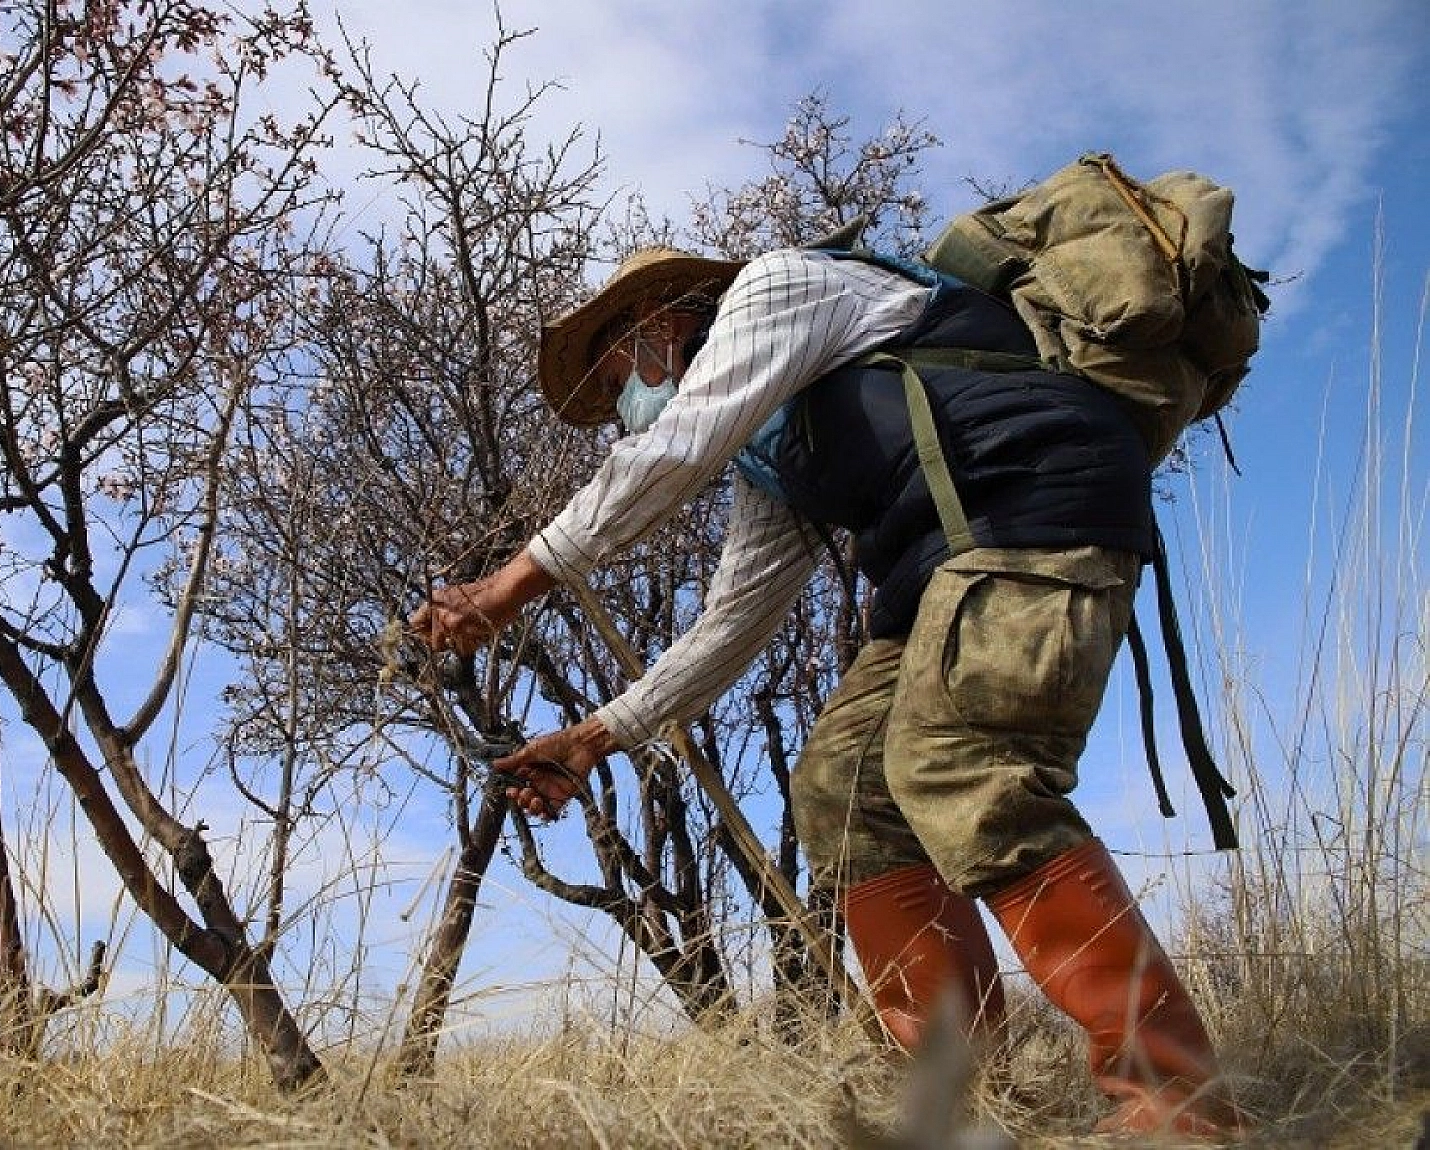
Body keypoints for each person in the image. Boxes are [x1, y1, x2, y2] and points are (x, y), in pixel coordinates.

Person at [409, 237, 1244, 1138]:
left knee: (962, 768)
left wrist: (504, 589)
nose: (624, 412)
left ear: (656, 325)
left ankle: (1178, 1108)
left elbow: (672, 452)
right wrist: (594, 738)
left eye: (616, 384)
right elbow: (735, 617)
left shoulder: (782, 289)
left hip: (1031, 504)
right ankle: (961, 1108)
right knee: (841, 790)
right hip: (943, 559)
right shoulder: (773, 445)